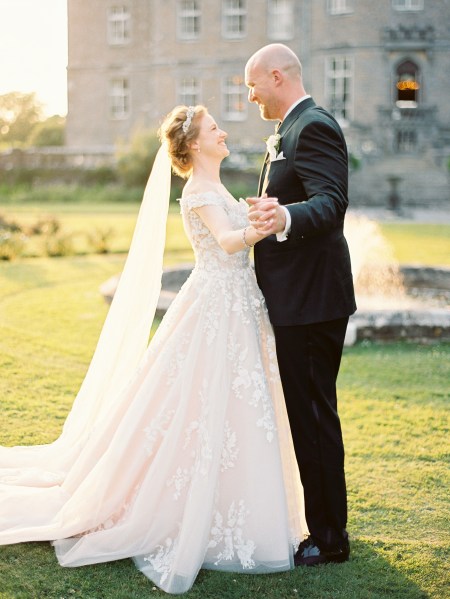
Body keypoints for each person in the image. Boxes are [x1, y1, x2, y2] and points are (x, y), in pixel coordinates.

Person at [0, 105, 306, 595]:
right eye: (214, 129)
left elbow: (228, 234)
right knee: (198, 405)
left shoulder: (217, 187)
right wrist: (265, 225)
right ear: (193, 145)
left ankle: (241, 506)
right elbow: (228, 243)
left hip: (234, 304)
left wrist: (252, 214)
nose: (223, 132)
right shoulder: (200, 191)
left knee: (236, 409)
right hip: (215, 309)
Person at [244, 44, 357, 566]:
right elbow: (301, 192)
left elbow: (331, 203)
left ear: (276, 76)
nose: (250, 97)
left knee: (312, 417)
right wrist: (272, 209)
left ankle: (329, 538)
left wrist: (282, 218)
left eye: (253, 87)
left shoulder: (313, 125)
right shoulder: (288, 130)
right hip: (298, 300)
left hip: (312, 303)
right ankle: (325, 525)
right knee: (306, 415)